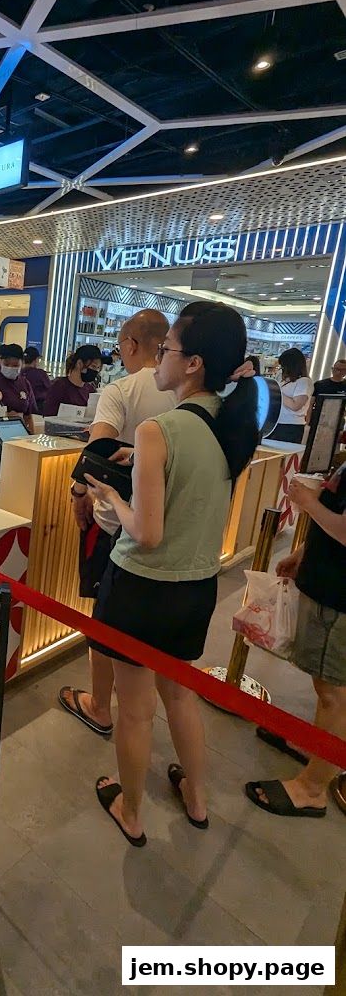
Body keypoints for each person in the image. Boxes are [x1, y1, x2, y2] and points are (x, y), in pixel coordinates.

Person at [84, 303, 259, 846]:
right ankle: (197, 796)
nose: (160, 358)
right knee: (180, 696)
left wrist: (112, 493)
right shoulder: (227, 433)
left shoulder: (162, 429)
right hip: (196, 589)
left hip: (140, 589)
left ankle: (132, 813)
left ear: (193, 364)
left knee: (135, 713)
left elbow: (148, 533)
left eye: (169, 350)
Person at [59, 310, 175, 735]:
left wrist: (77, 493)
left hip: (114, 524)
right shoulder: (191, 393)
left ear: (129, 344)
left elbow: (99, 450)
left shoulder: (121, 388)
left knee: (104, 617)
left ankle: (100, 706)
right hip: (168, 531)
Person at [246, 464, 346, 817]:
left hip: (340, 601)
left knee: (336, 695)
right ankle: (318, 753)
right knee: (326, 687)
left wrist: (307, 502)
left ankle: (313, 788)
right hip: (327, 591)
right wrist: (303, 553)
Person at [0, 343, 36, 433]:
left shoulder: (25, 383)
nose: (10, 368)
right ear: (1, 362)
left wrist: (31, 435)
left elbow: (28, 416)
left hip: (20, 431)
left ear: (22, 363)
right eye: (7, 364)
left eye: (15, 365)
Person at [268, 348, 312, 444]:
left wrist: (277, 392)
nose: (282, 369)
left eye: (284, 366)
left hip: (291, 426)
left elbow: (295, 406)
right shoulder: (284, 380)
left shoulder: (304, 382)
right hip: (276, 423)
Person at [45, 344, 103, 416]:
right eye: (93, 366)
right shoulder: (59, 387)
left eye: (97, 368)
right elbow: (48, 417)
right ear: (79, 363)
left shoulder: (91, 391)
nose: (95, 371)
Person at [22, 346, 51, 413]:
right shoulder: (41, 374)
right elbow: (51, 390)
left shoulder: (19, 373)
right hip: (38, 409)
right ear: (36, 360)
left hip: (22, 407)